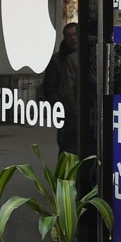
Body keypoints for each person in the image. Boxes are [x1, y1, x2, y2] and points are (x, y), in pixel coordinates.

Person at [41, 23, 79, 154]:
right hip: (66, 114)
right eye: (69, 36)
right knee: (67, 150)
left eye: (76, 34)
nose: (73, 38)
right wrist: (61, 107)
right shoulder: (57, 60)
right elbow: (49, 88)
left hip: (83, 114)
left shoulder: (89, 56)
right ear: (64, 38)